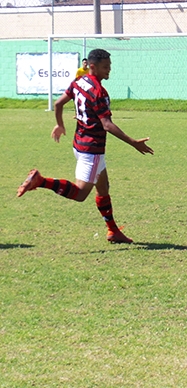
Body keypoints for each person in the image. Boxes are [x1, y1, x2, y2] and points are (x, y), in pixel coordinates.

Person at [17, 49, 154, 243]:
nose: (109, 70)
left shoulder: (78, 82)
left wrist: (60, 124)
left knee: (103, 187)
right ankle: (40, 181)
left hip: (79, 143)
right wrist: (133, 143)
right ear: (93, 66)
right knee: (81, 194)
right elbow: (107, 124)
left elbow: (58, 104)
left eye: (110, 66)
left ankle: (113, 231)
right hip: (92, 148)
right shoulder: (99, 92)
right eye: (105, 67)